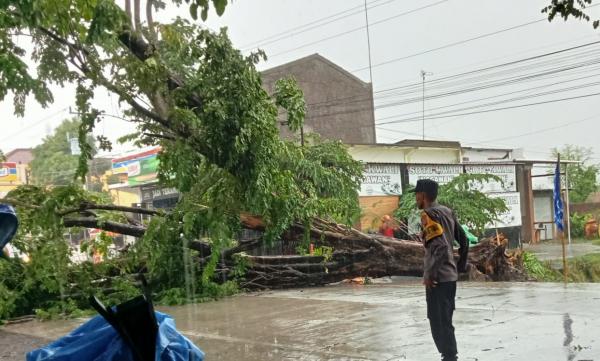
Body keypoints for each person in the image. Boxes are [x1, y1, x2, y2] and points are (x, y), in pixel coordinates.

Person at [413, 179, 468, 361]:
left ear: (423, 195)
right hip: (449, 277)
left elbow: (441, 247)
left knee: (437, 320)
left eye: (416, 195)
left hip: (438, 279)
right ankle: (450, 354)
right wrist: (459, 266)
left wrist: (429, 274)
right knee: (446, 320)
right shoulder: (447, 211)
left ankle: (449, 355)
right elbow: (464, 240)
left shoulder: (427, 215)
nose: (416, 199)